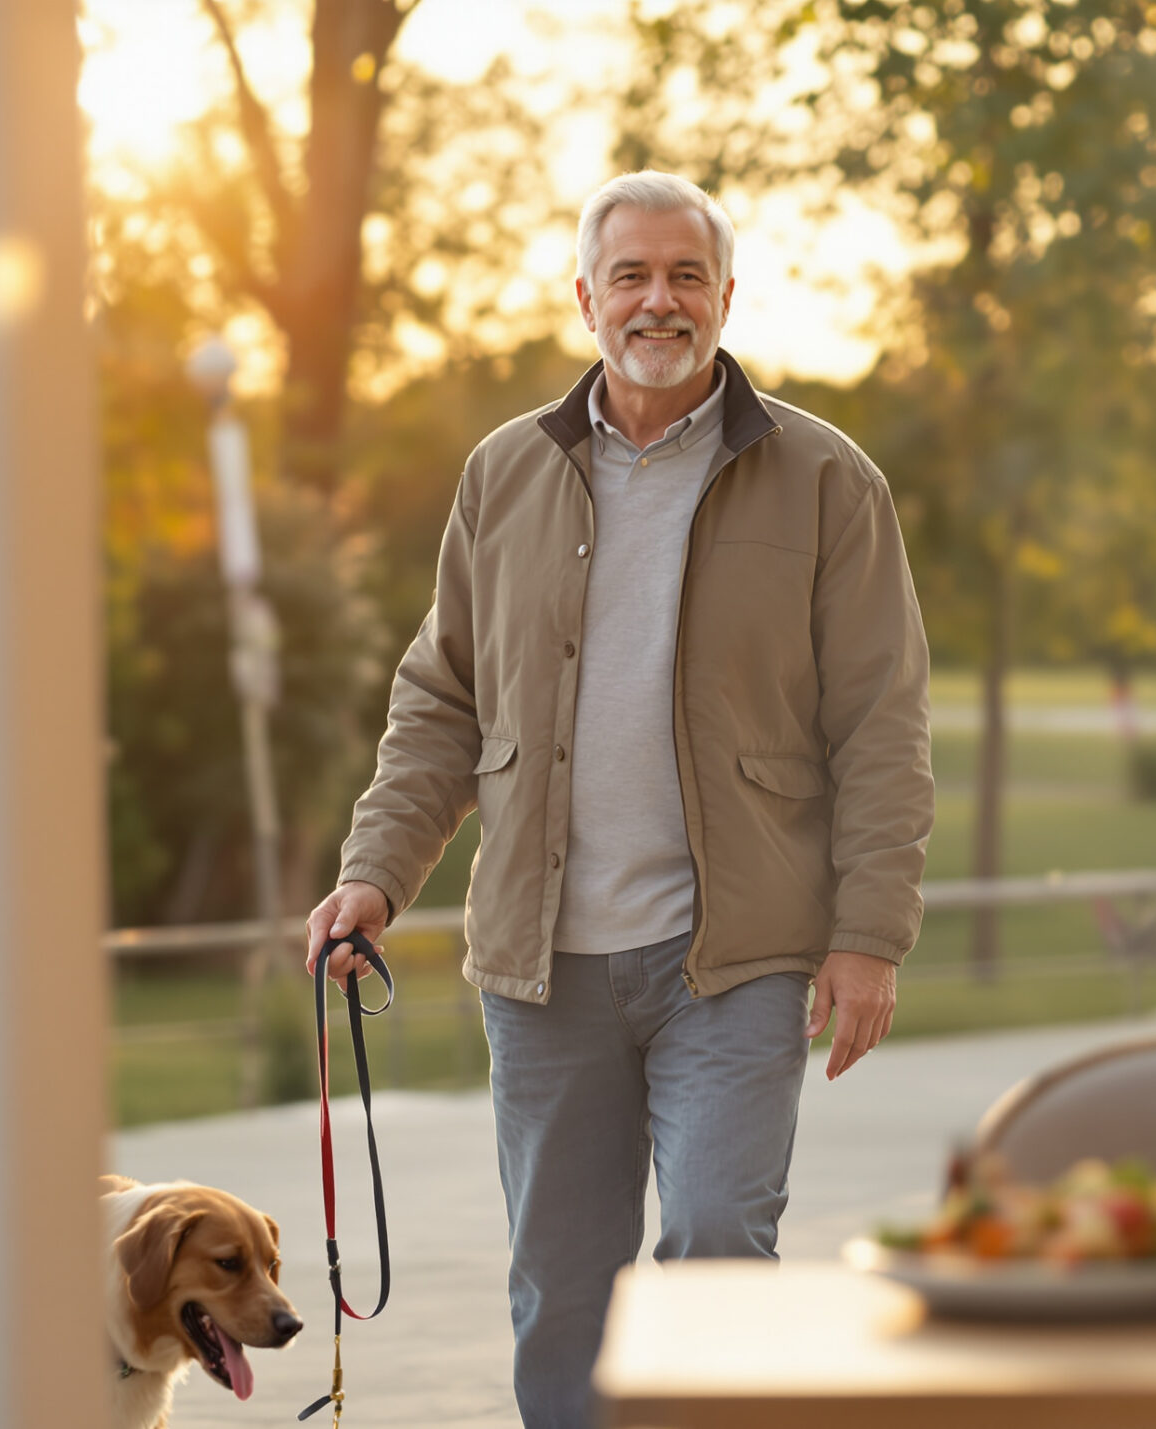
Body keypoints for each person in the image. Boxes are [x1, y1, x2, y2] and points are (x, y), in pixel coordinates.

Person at [304, 170, 934, 1428]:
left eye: (686, 275)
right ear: (585, 298)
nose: (660, 301)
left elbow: (882, 720)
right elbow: (442, 696)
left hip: (737, 955)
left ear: (727, 297)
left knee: (713, 1247)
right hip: (544, 969)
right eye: (633, 277)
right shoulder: (503, 473)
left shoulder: (824, 479)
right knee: (563, 1290)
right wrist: (375, 870)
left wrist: (869, 936)